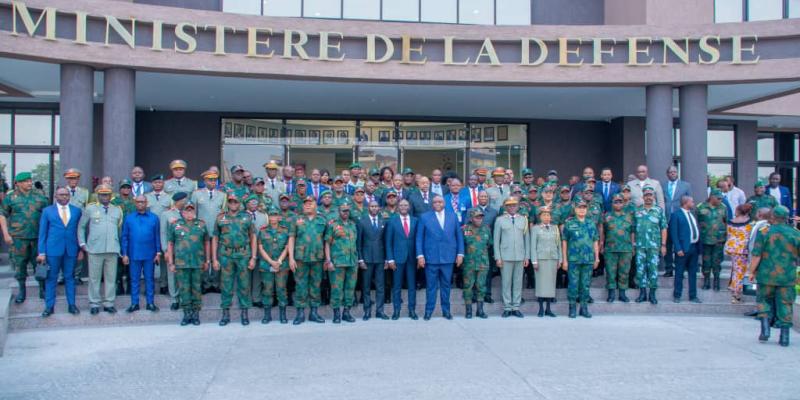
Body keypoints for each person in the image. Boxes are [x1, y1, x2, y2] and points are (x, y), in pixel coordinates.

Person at [749, 206, 799, 347]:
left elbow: (756, 254)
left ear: (773, 217)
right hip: (787, 276)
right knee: (785, 304)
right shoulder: (795, 234)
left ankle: (765, 330)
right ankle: (784, 337)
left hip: (766, 275)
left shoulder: (764, 232)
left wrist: (751, 272)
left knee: (764, 301)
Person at [1, 172, 49, 303]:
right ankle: (22, 291)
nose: (29, 183)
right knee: (19, 266)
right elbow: (2, 215)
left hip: (37, 238)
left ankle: (42, 289)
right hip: (18, 238)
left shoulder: (40, 197)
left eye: (30, 180)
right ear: (18, 183)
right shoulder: (10, 198)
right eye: (26, 181)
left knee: (39, 264)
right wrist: (6, 234)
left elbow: (48, 215)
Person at [416, 196, 464, 320]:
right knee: (431, 286)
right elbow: (419, 238)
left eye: (440, 201)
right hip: (431, 258)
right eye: (435, 201)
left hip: (448, 257)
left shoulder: (452, 216)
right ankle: (428, 311)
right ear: (432, 204)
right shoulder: (425, 217)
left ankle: (446, 311)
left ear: (444, 203)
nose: (437, 203)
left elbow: (459, 236)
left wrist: (460, 254)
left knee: (446, 285)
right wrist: (420, 255)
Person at [212, 194, 257, 326]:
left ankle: (244, 312)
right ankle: (225, 313)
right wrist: (214, 259)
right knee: (226, 285)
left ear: (240, 203)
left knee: (244, 284)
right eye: (231, 202)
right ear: (228, 203)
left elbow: (253, 237)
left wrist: (253, 257)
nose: (233, 204)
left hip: (243, 255)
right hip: (226, 255)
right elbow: (215, 238)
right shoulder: (221, 218)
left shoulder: (247, 217)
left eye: (235, 202)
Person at [78, 184, 123, 315]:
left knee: (111, 278)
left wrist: (120, 247)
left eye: (107, 194)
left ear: (111, 196)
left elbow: (119, 230)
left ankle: (109, 303)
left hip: (112, 249)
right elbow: (81, 227)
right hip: (95, 249)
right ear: (98, 195)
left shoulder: (117, 210)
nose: (105, 196)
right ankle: (94, 303)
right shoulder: (90, 209)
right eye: (102, 194)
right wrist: (82, 243)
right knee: (94, 278)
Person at [37, 187, 82, 317]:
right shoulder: (47, 211)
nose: (64, 197)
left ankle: (72, 305)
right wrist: (41, 252)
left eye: (66, 195)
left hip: (71, 250)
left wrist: (80, 250)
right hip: (52, 250)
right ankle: (49, 307)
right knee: (51, 278)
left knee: (70, 277)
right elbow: (42, 233)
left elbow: (79, 232)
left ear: (69, 196)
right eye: (61, 195)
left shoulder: (77, 211)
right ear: (56, 196)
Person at [167, 201, 209, 326]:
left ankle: (195, 313)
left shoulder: (201, 225)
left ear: (194, 212)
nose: (189, 213)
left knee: (196, 288)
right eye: (187, 211)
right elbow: (170, 243)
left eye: (191, 211)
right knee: (184, 289)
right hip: (181, 263)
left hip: (197, 262)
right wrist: (171, 262)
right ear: (183, 212)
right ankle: (186, 313)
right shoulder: (175, 225)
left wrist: (207, 260)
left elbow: (207, 242)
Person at [288, 196, 328, 325]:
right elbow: (291, 238)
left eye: (310, 203)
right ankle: (300, 314)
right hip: (301, 258)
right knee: (300, 285)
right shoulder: (296, 219)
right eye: (305, 203)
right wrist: (291, 258)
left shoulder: (322, 220)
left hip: (317, 258)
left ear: (315, 205)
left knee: (316, 285)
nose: (307, 205)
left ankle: (314, 313)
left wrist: (328, 259)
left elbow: (327, 240)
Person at [121, 195, 162, 313]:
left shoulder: (154, 218)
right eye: (138, 202)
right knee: (134, 279)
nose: (140, 204)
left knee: (149, 279)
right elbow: (125, 237)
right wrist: (124, 253)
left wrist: (158, 252)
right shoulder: (129, 218)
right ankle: (135, 303)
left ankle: (150, 303)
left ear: (146, 203)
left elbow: (157, 236)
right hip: (134, 254)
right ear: (135, 203)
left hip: (150, 254)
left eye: (142, 202)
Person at [561, 199, 599, 318]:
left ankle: (584, 308)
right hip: (573, 259)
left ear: (586, 209)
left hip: (588, 259)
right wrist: (565, 260)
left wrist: (596, 258)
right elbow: (564, 242)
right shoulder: (569, 223)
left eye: (584, 207)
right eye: (579, 207)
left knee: (585, 284)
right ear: (575, 209)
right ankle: (572, 308)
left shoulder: (591, 223)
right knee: (573, 284)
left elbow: (595, 241)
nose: (582, 209)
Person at [493, 197, 529, 318]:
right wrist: (498, 257)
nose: (512, 207)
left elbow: (526, 240)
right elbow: (496, 240)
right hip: (505, 257)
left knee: (518, 283)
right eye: (509, 205)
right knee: (506, 283)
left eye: (514, 205)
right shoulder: (500, 220)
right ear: (506, 207)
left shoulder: (523, 220)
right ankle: (507, 307)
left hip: (520, 256)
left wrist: (526, 257)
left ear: (518, 206)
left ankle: (516, 307)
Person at [192, 170, 226, 294]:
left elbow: (223, 214)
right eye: (210, 180)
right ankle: (205, 283)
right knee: (203, 258)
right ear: (205, 181)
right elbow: (193, 213)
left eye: (214, 180)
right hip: (202, 231)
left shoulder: (222, 195)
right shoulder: (196, 194)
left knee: (217, 258)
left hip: (217, 232)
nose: (212, 182)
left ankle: (216, 283)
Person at [324, 203, 358, 324]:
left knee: (350, 288)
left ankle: (347, 312)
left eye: (347, 211)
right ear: (339, 211)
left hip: (352, 262)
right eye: (343, 211)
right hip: (337, 262)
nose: (345, 213)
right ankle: (336, 313)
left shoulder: (352, 225)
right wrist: (328, 261)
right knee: (336, 289)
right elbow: (327, 243)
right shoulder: (332, 225)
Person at [633, 186, 667, 304]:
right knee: (640, 269)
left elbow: (663, 228)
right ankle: (642, 293)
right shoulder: (637, 211)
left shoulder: (658, 211)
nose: (648, 197)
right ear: (643, 197)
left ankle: (652, 294)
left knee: (653, 269)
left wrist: (663, 245)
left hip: (654, 246)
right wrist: (633, 244)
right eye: (646, 195)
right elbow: (633, 229)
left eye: (650, 195)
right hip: (640, 246)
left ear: (653, 196)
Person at [257, 207, 291, 324]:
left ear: (279, 217)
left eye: (275, 215)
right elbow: (260, 247)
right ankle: (267, 315)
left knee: (281, 289)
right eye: (271, 216)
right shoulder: (262, 231)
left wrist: (279, 261)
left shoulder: (285, 230)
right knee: (267, 289)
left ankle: (283, 314)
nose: (273, 218)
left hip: (282, 264)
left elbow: (287, 247)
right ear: (268, 217)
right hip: (267, 264)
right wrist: (271, 262)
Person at [385, 199, 418, 320]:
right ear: (398, 207)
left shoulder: (415, 221)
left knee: (412, 286)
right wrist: (390, 259)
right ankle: (396, 311)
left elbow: (418, 240)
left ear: (409, 207)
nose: (403, 207)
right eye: (401, 205)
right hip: (397, 259)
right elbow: (388, 242)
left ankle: (412, 310)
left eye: (406, 205)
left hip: (411, 258)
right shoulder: (392, 221)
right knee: (397, 285)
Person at [357, 200, 389, 321]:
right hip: (366, 259)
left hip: (380, 258)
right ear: (368, 208)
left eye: (376, 206)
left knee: (380, 286)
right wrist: (360, 259)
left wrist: (387, 258)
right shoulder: (362, 221)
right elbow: (358, 242)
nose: (374, 208)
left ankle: (380, 311)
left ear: (379, 208)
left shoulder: (383, 221)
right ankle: (367, 311)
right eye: (372, 206)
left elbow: (386, 241)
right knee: (366, 287)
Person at [600, 193, 634, 303]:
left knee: (624, 272)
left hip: (626, 248)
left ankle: (622, 293)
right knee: (610, 272)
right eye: (616, 201)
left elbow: (632, 232)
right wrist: (601, 244)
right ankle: (611, 293)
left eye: (620, 201)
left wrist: (633, 246)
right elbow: (602, 232)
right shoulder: (606, 216)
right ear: (612, 203)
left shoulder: (629, 216)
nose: (618, 204)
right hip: (610, 249)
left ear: (623, 203)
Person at [529, 207, 561, 317]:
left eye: (548, 215)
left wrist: (560, 259)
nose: (547, 217)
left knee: (551, 285)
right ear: (540, 217)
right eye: (544, 215)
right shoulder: (536, 229)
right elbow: (533, 246)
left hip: (552, 259)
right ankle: (541, 308)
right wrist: (534, 261)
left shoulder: (555, 228)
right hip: (541, 259)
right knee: (541, 284)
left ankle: (548, 308)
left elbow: (559, 245)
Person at [669, 195, 702, 303]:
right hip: (682, 249)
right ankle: (677, 295)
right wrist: (678, 248)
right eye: (692, 202)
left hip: (694, 247)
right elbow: (674, 233)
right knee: (679, 273)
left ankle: (693, 296)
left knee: (693, 273)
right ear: (685, 203)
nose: (693, 203)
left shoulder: (692, 214)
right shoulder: (676, 215)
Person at [159, 192, 188, 310]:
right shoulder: (166, 214)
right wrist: (166, 250)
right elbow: (163, 232)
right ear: (178, 201)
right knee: (172, 275)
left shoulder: (189, 212)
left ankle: (184, 298)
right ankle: (174, 299)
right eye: (184, 200)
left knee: (185, 274)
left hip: (186, 249)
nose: (186, 202)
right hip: (173, 249)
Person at [662, 165, 692, 278]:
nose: (673, 173)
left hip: (680, 218)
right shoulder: (662, 185)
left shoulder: (686, 185)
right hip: (666, 218)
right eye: (670, 172)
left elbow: (689, 201)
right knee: (668, 244)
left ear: (677, 173)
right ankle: (668, 268)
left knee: (679, 244)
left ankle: (680, 268)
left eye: (674, 172)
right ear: (667, 174)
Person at [461, 207, 491, 319]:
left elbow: (489, 244)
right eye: (476, 217)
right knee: (468, 286)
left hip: (483, 263)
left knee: (481, 287)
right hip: (469, 263)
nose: (479, 219)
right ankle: (468, 311)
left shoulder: (487, 229)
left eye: (481, 217)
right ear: (471, 218)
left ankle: (480, 310)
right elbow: (461, 245)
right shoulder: (465, 229)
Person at [697, 189, 728, 291]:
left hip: (719, 240)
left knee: (717, 261)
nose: (720, 200)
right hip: (705, 239)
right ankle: (706, 281)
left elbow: (727, 222)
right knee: (706, 262)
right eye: (718, 198)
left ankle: (716, 281)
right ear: (711, 197)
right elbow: (695, 222)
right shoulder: (700, 207)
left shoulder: (723, 207)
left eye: (721, 198)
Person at [725, 203, 753, 304]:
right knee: (740, 271)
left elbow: (728, 234)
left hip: (732, 247)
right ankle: (736, 293)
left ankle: (735, 291)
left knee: (736, 269)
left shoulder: (731, 222)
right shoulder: (749, 223)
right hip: (743, 249)